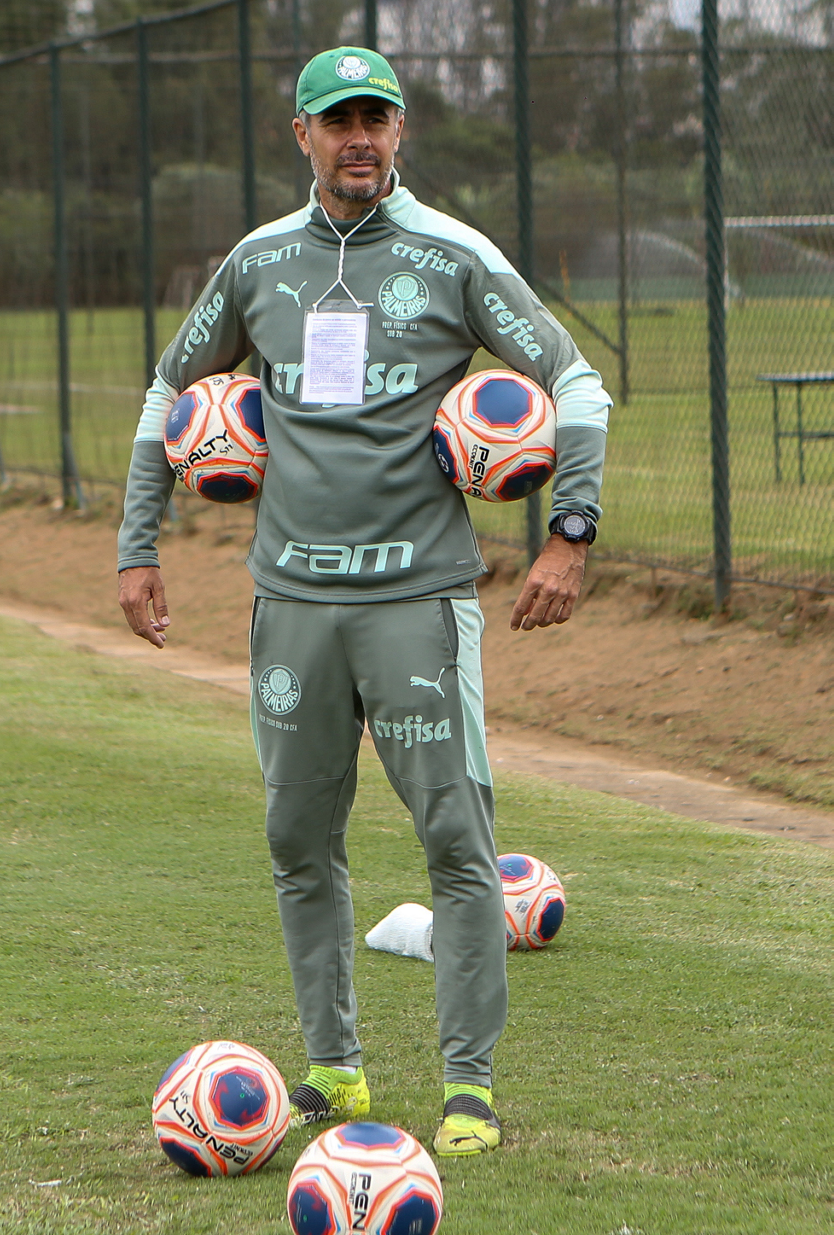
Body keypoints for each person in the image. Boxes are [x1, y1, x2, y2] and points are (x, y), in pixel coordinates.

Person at [118, 46, 611, 1157]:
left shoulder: (452, 256)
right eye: (337, 120)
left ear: (399, 132)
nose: (359, 138)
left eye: (375, 119)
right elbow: (165, 389)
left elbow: (576, 381)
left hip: (415, 604)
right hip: (291, 606)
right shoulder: (258, 263)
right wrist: (134, 544)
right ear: (301, 135)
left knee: (457, 842)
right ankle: (334, 1068)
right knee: (297, 839)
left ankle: (468, 1089)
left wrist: (569, 530)